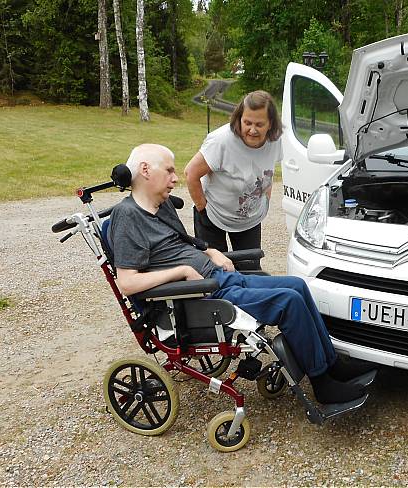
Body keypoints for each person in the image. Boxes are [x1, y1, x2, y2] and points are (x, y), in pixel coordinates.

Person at [109, 143, 373, 405]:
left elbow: (180, 241)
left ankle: (331, 363)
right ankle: (322, 384)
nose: (175, 178)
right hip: (199, 296)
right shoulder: (127, 217)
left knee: (297, 286)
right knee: (288, 302)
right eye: (169, 170)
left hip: (217, 279)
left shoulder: (161, 205)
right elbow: (128, 283)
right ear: (145, 170)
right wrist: (183, 270)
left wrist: (210, 250)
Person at [184, 90, 282, 266]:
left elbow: (268, 170)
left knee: (250, 269)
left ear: (271, 124)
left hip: (249, 218)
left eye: (259, 124)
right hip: (213, 214)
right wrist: (202, 208)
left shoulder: (276, 140)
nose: (252, 130)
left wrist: (265, 199)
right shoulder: (221, 141)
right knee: (218, 271)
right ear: (239, 119)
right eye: (247, 123)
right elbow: (191, 173)